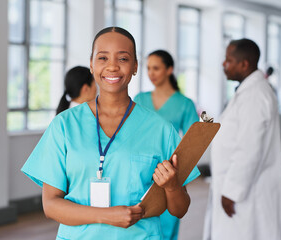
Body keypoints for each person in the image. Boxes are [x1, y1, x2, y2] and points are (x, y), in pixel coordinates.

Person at [21, 27, 199, 240]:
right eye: (103, 57)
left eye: (123, 58)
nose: (112, 66)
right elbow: (50, 205)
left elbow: (180, 209)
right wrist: (106, 216)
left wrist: (171, 186)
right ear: (91, 64)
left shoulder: (160, 130)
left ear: (135, 66)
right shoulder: (64, 126)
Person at [203, 39, 281, 240]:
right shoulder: (248, 92)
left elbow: (249, 149)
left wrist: (232, 191)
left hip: (244, 191)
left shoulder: (255, 96)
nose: (224, 64)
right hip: (241, 186)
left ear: (244, 64)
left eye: (228, 60)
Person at [134, 49, 200, 240]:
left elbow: (192, 145)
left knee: (166, 227)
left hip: (169, 174)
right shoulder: (139, 100)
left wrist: (175, 175)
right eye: (148, 68)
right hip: (139, 172)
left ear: (169, 69)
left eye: (156, 68)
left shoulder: (185, 104)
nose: (151, 73)